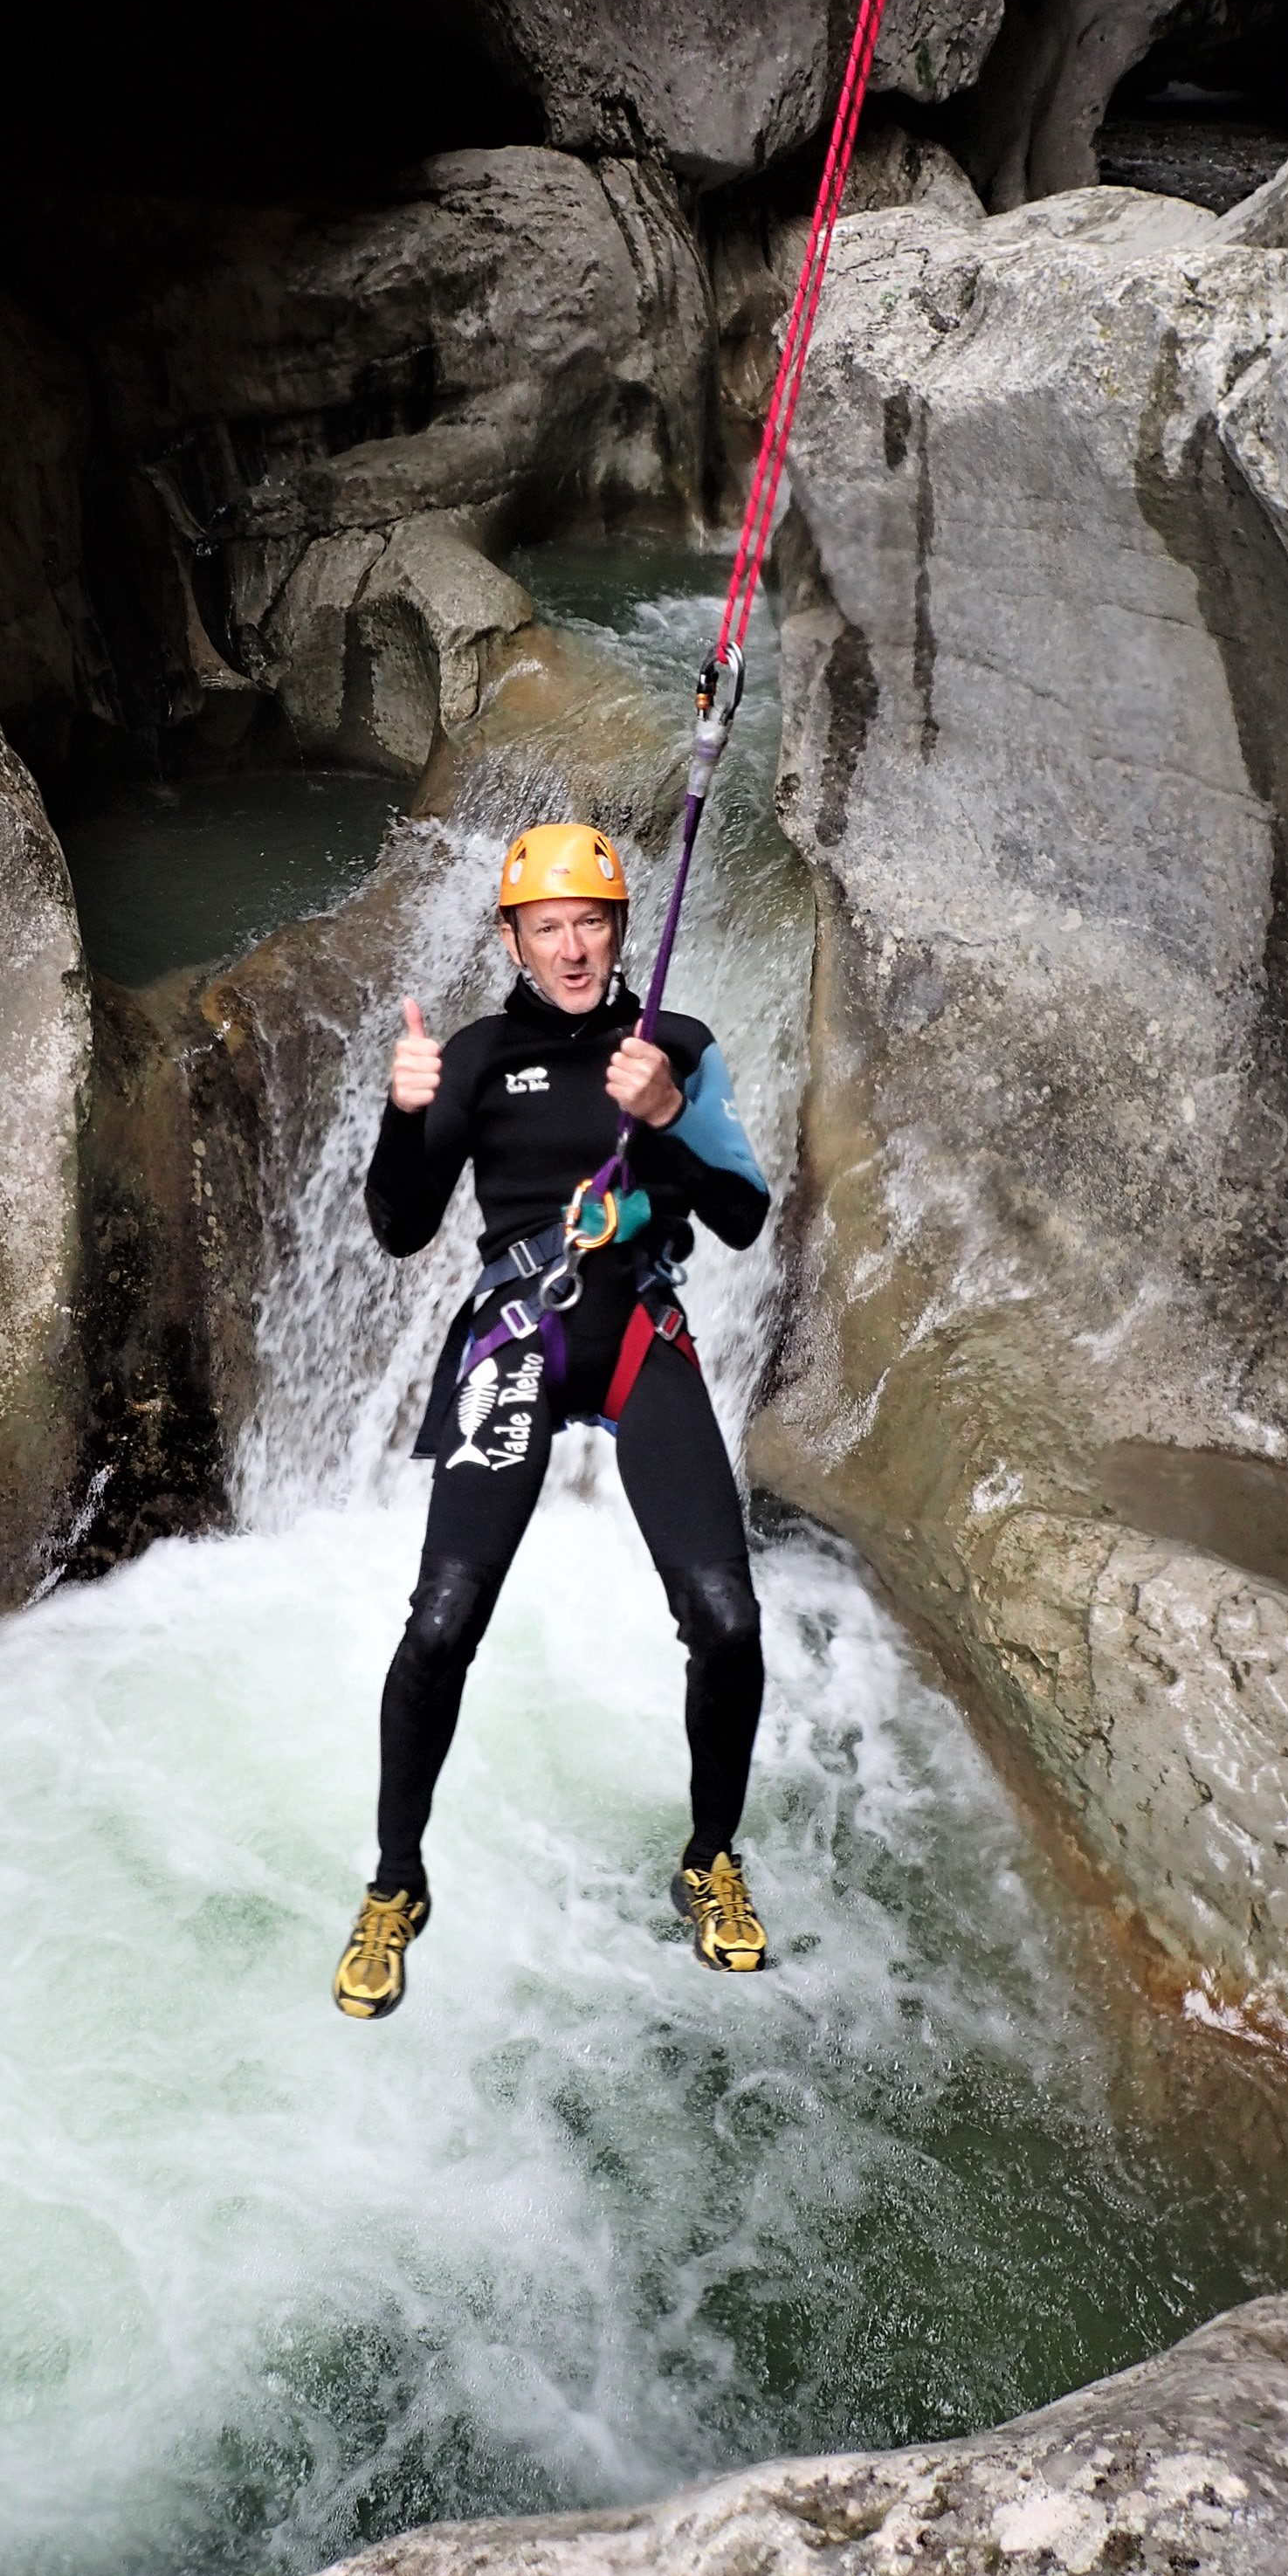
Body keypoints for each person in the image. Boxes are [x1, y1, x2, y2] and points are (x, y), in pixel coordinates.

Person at [333, 821, 774, 2021]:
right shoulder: (478, 1058)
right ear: (513, 940)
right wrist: (403, 1113)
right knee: (440, 1622)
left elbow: (743, 1214)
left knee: (728, 1620)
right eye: (548, 928)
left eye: (590, 924)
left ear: (620, 930)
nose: (572, 949)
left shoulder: (676, 1046)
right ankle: (396, 1883)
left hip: (636, 1332)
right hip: (519, 1335)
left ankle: (710, 1860)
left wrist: (671, 1112)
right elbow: (399, 1228)